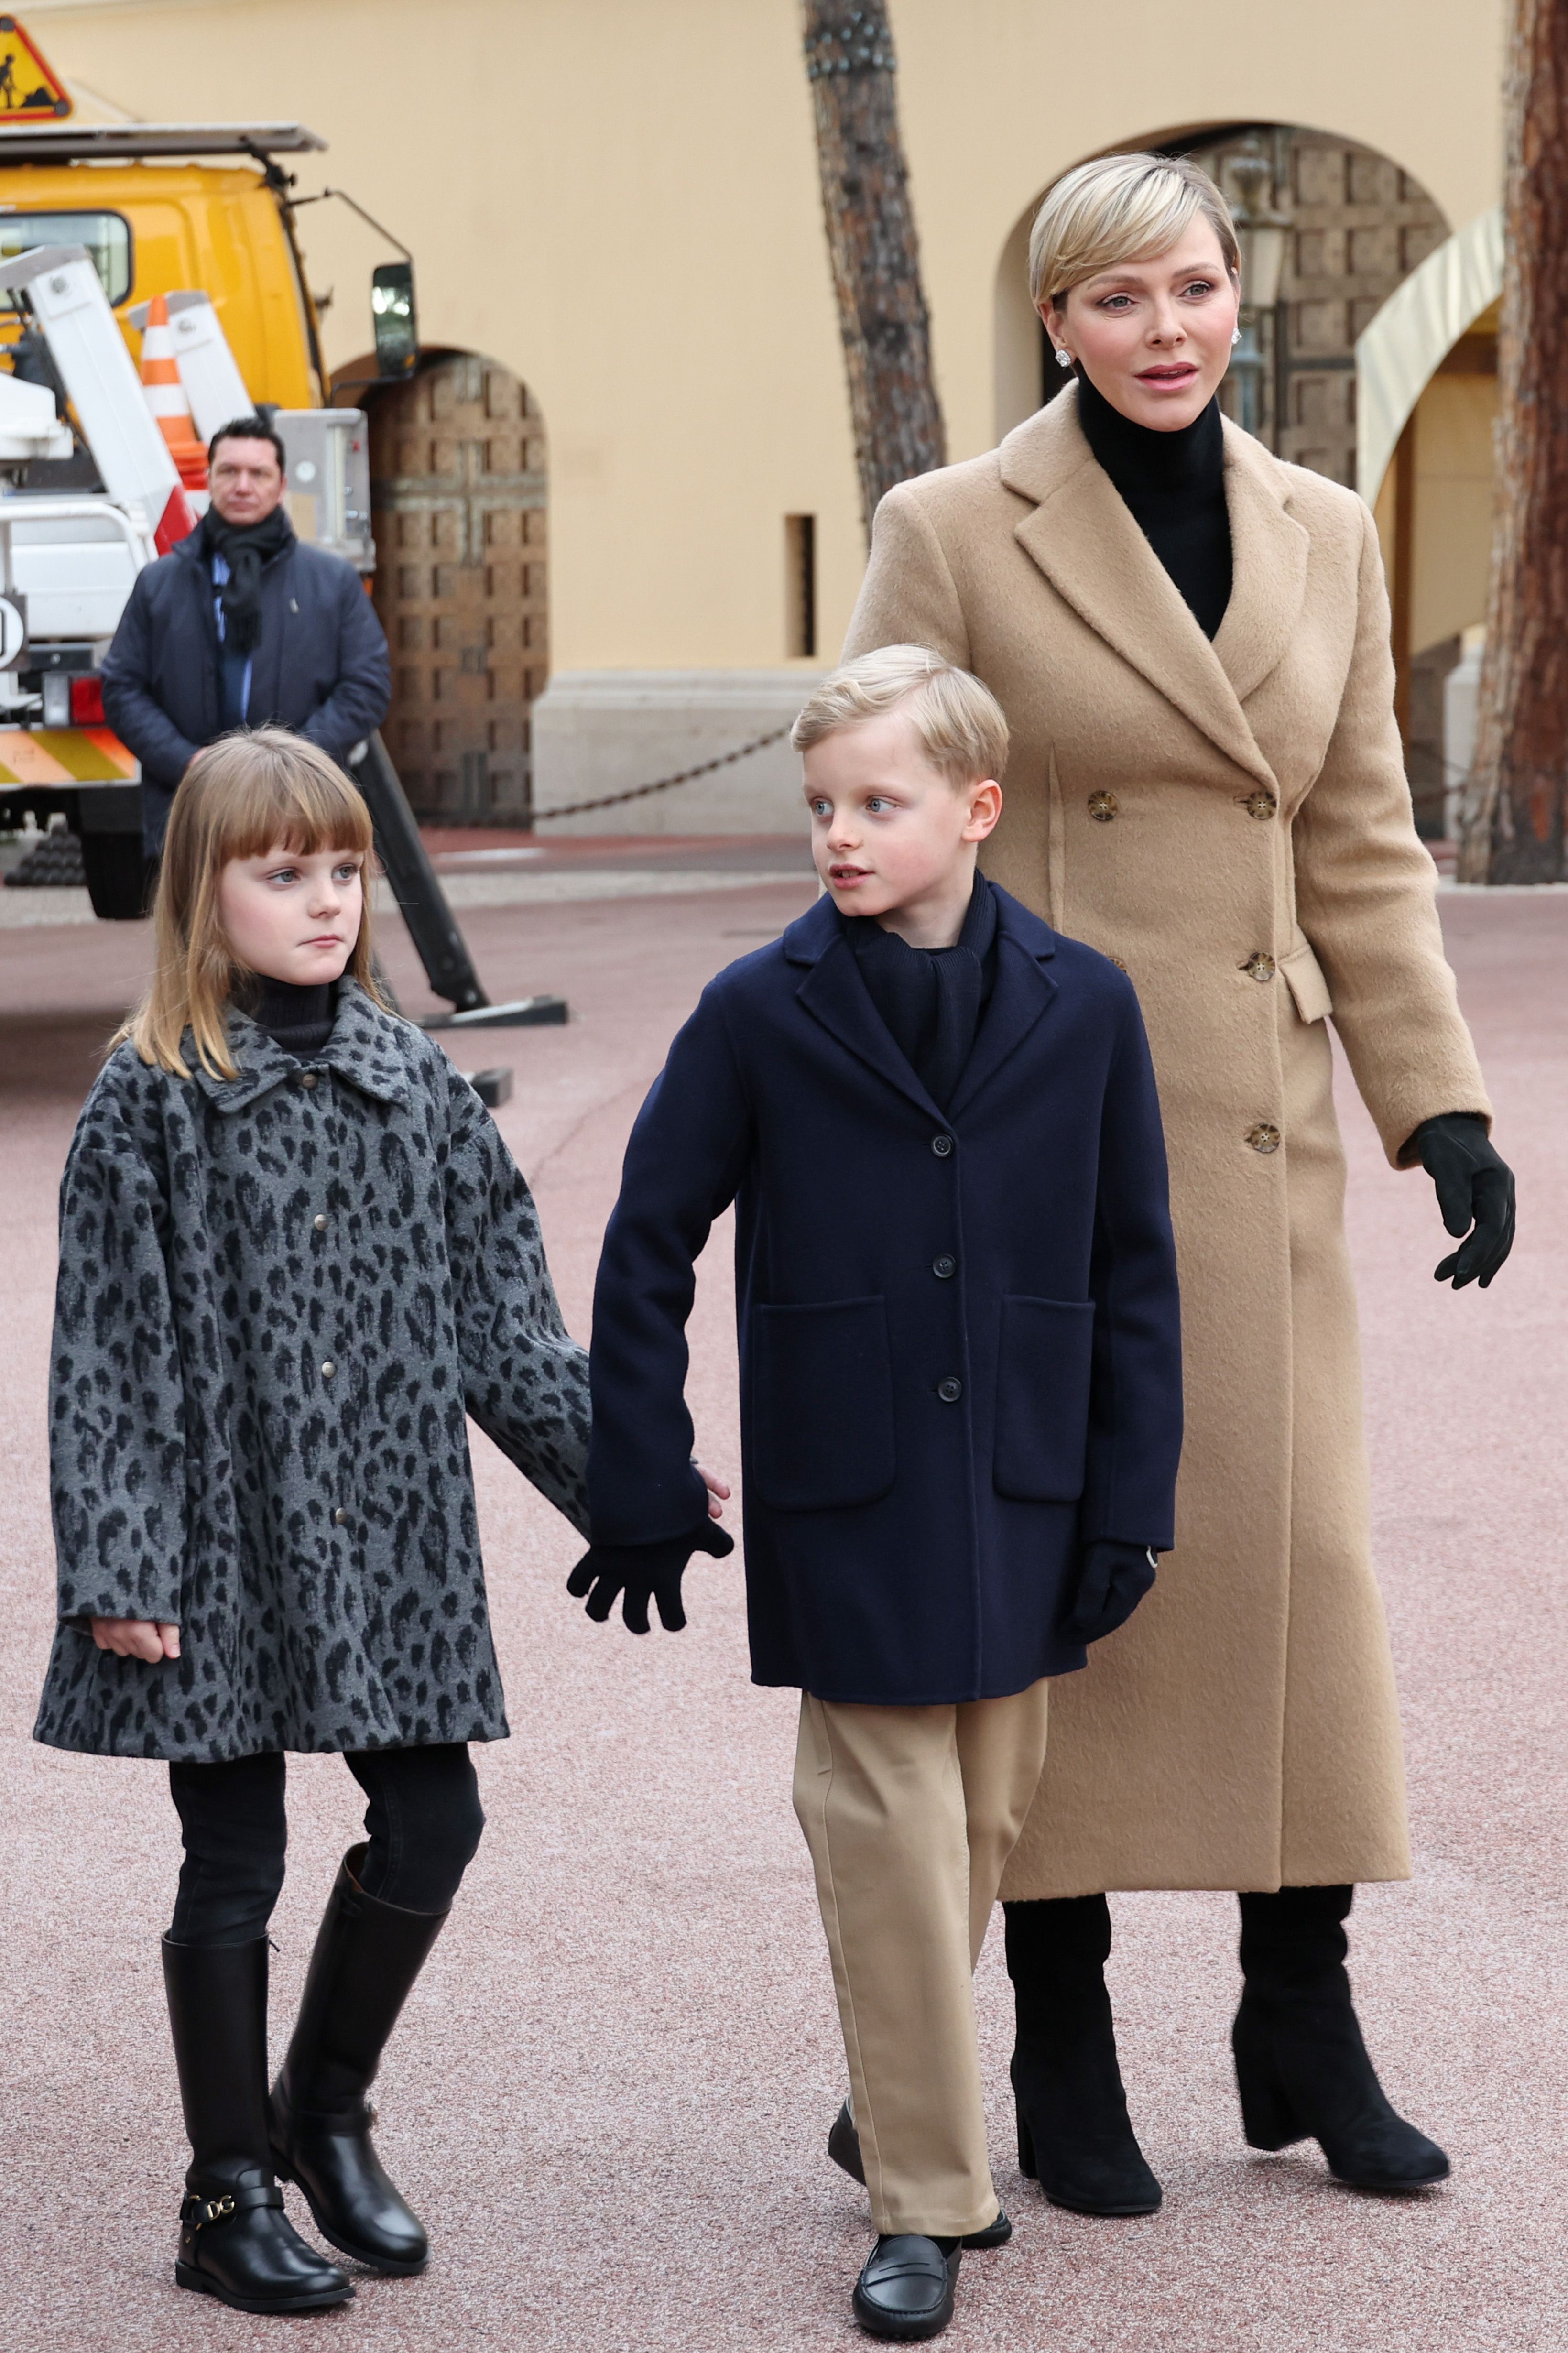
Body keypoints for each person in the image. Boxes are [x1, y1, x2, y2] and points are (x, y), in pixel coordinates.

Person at [842, 151, 1515, 2214]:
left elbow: (1358, 837)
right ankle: (1054, 2032)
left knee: (1292, 1566)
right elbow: (876, 802)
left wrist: (1441, 1105)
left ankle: (1296, 2009)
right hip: (1027, 1142)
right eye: (1118, 297)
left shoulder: (1318, 528)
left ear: (1244, 302)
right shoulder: (950, 526)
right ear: (1055, 320)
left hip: (1254, 1126)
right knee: (1074, 1592)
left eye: (1197, 289)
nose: (1166, 329)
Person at [573, 646, 1183, 2341]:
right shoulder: (759, 1010)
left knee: (981, 1823)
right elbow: (645, 1244)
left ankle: (885, 2094)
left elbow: (1138, 1265)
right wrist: (636, 1466)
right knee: (889, 1832)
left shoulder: (1091, 1004)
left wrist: (1136, 1494)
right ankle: (929, 2197)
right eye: (822, 805)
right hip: (848, 1484)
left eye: (878, 802)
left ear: (977, 811)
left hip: (1030, 1479)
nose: (839, 834)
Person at [33, 729, 593, 2315]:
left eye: (344, 868)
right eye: (285, 873)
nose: (329, 899)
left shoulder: (408, 1073)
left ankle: (322, 2113)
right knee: (237, 1855)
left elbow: (503, 1306)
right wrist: (123, 1563)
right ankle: (225, 2194)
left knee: (436, 1820)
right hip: (221, 1537)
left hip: (393, 1529)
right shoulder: (153, 1097)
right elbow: (110, 1350)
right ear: (205, 896)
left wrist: (614, 1472)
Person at [101, 416, 390, 866]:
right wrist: (189, 763)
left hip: (302, 811)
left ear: (282, 486)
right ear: (209, 480)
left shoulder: (332, 582)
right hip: (189, 812)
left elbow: (366, 686)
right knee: (193, 938)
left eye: (259, 474)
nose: (242, 485)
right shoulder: (160, 584)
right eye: (229, 471)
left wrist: (287, 765)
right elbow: (122, 688)